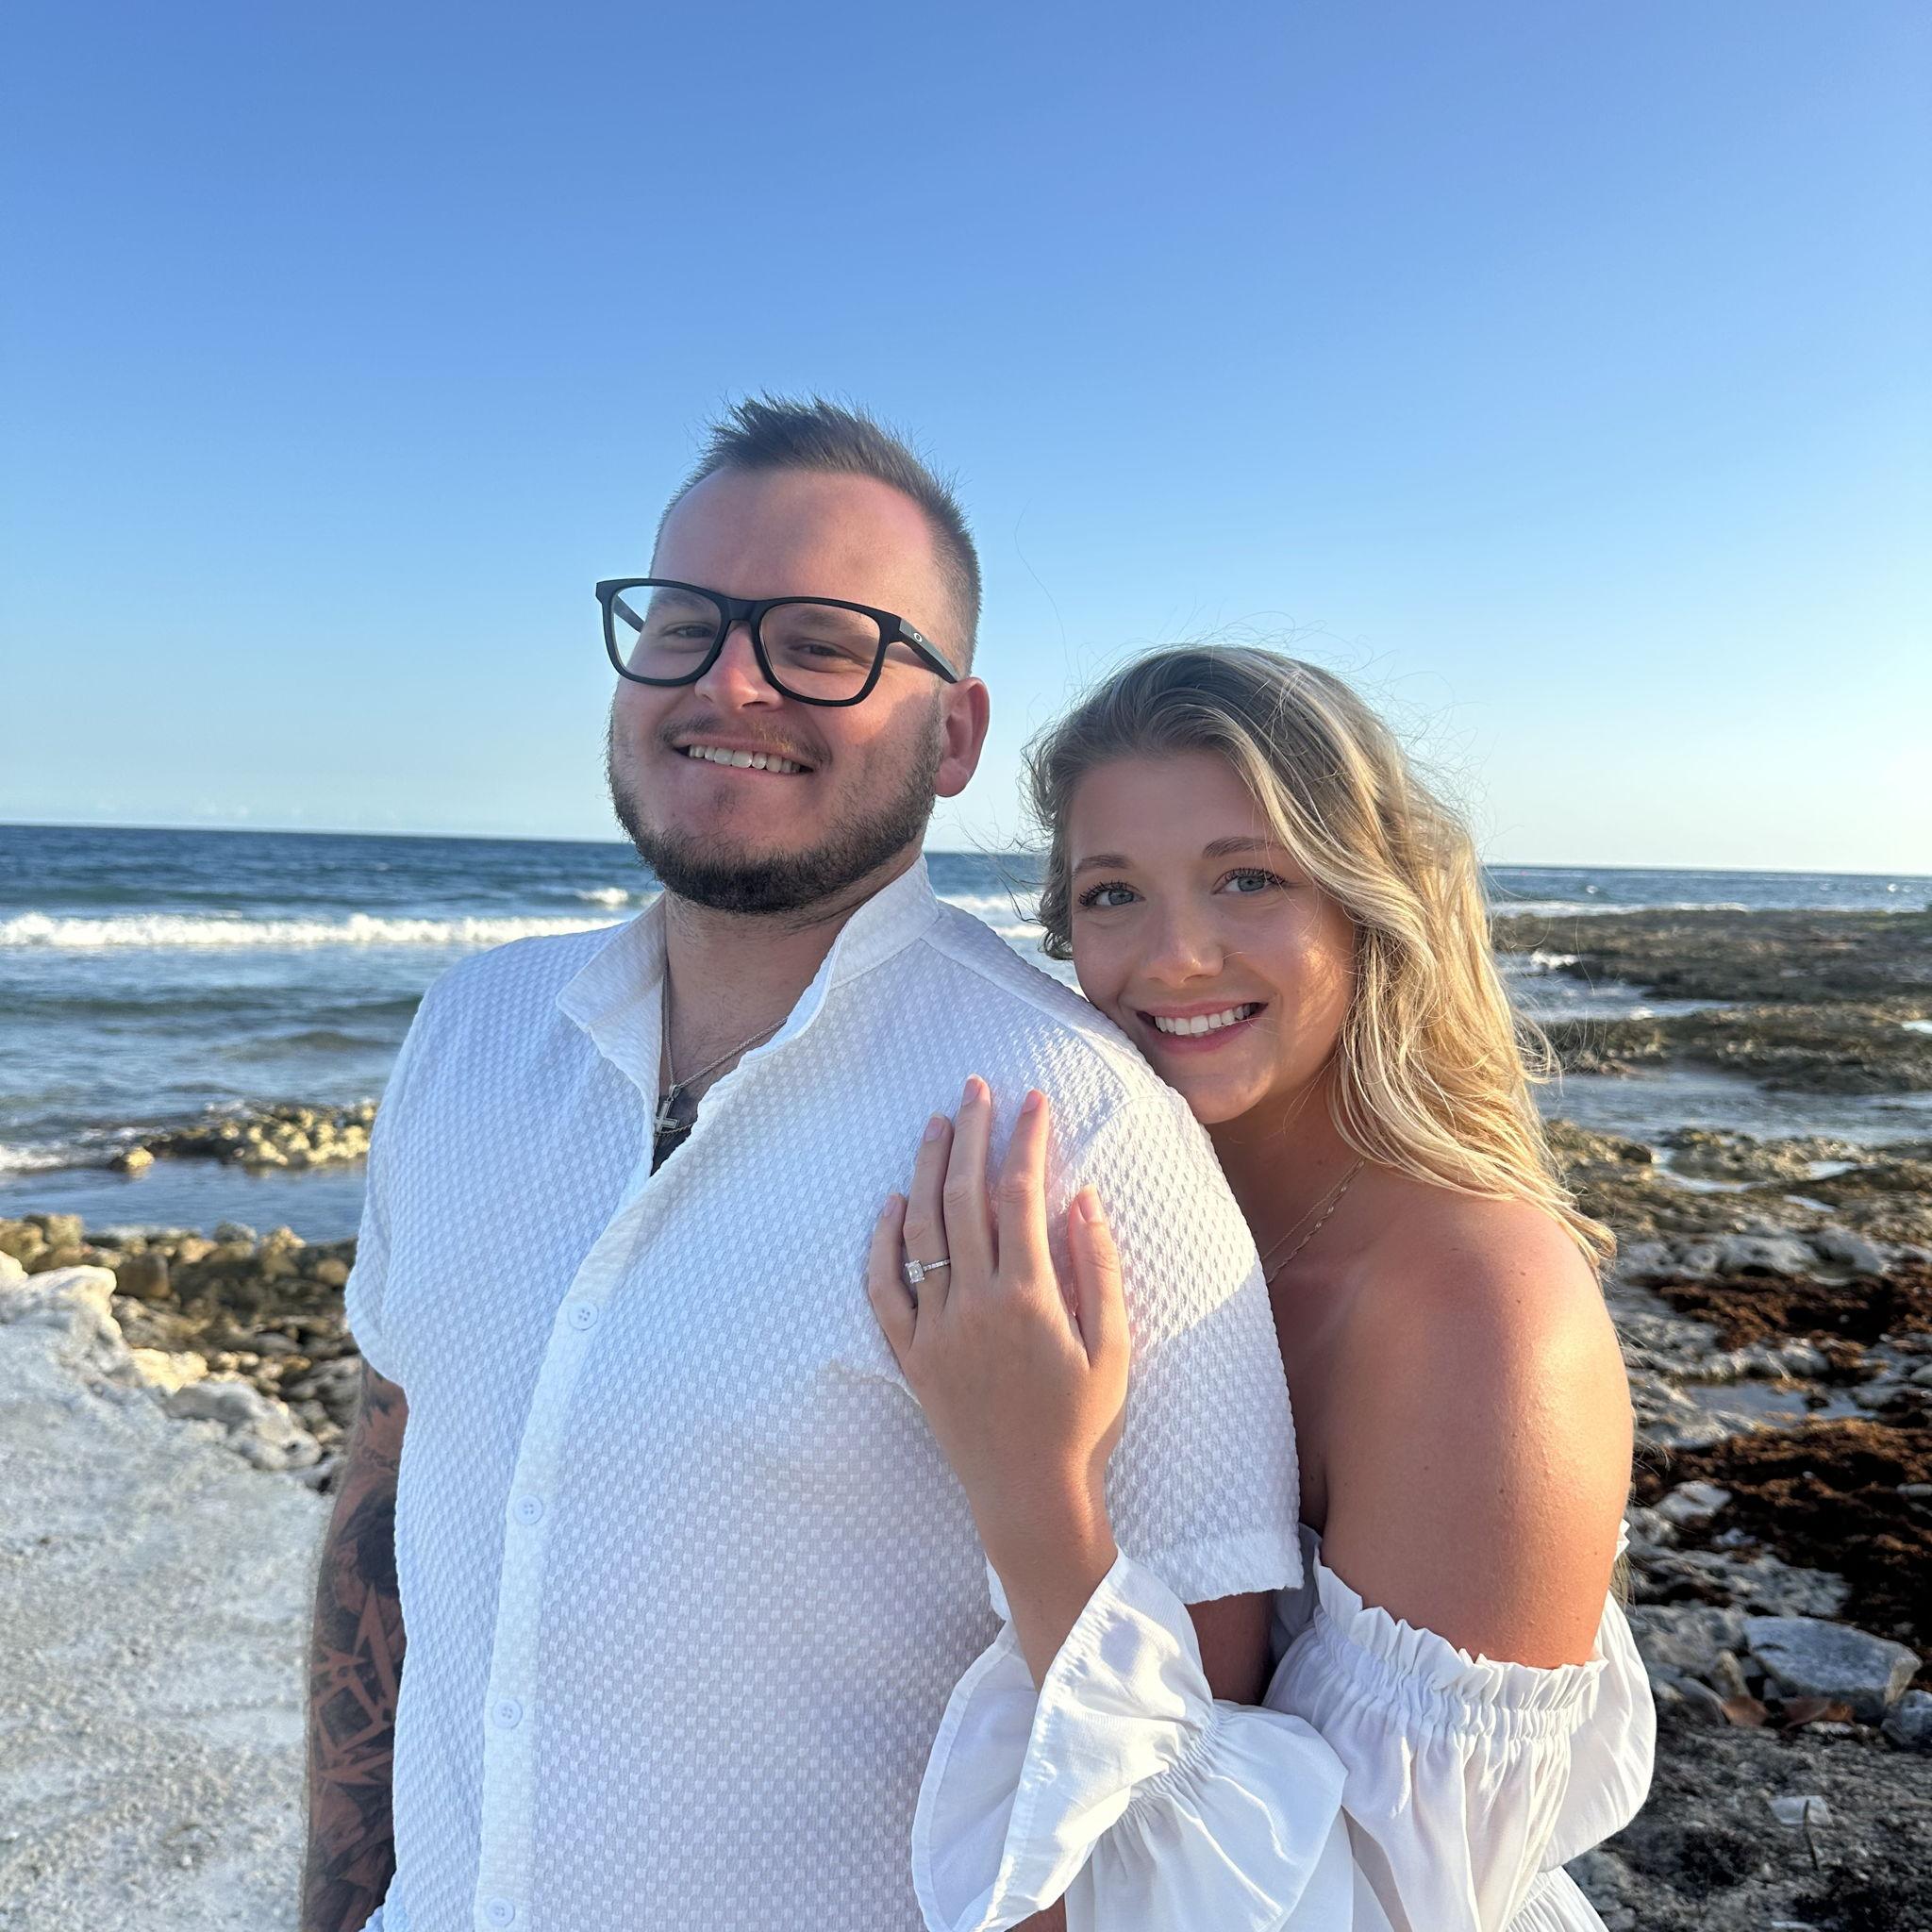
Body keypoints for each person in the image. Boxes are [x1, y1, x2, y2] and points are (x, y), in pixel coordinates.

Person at [301, 401, 1307, 1932]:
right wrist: (336, 1898)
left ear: (953, 735)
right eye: (684, 625)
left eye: (823, 643)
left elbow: (1183, 1791)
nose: (729, 681)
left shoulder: (1080, 1129)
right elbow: (389, 1496)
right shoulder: (469, 1033)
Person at [869, 646, 1656, 1930]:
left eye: (1248, 878)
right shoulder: (1140, 1214)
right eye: (1114, 894)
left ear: (1368, 903)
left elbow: (1380, 1904)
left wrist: (1034, 1489)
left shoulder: (1481, 1309)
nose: (1176, 957)